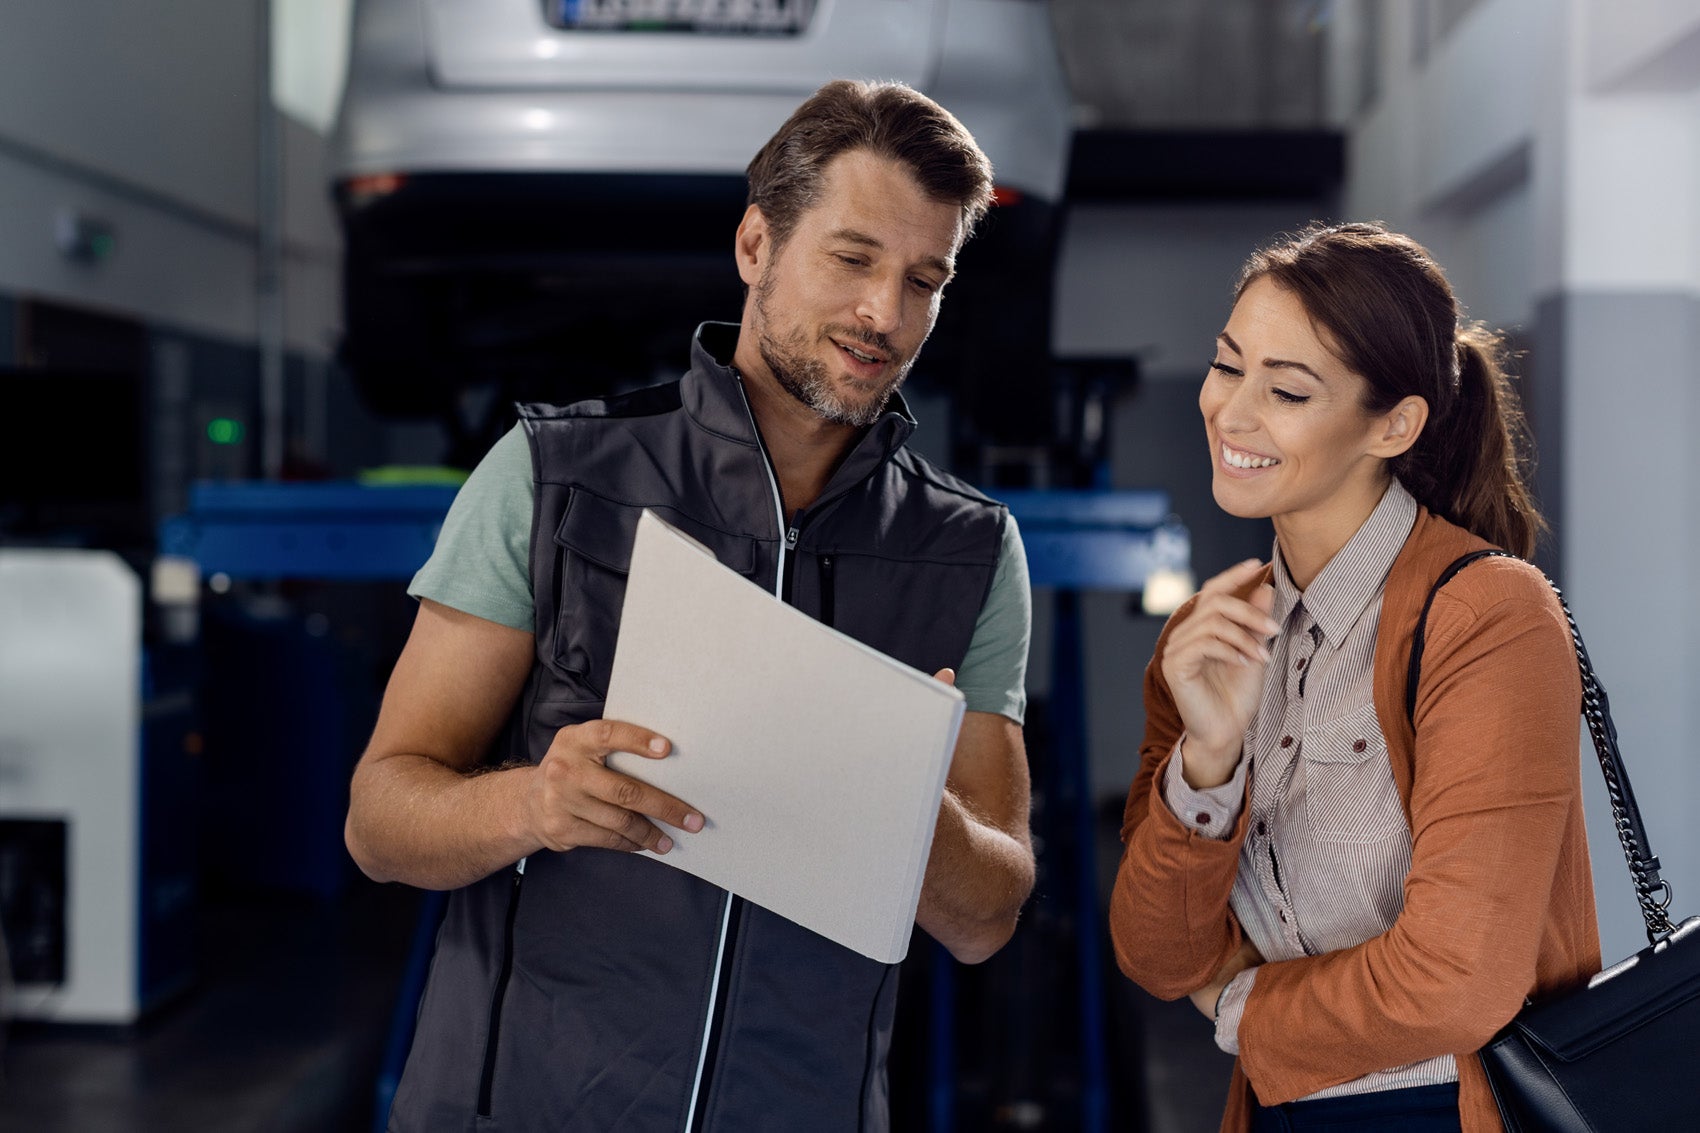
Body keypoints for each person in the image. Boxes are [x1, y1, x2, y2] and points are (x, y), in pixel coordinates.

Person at [344, 79, 1036, 1132]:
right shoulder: (549, 475)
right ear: (756, 244)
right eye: (851, 258)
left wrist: (904, 800)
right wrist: (532, 802)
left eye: (922, 279)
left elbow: (988, 914)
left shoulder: (968, 549)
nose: (882, 315)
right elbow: (380, 819)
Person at [1108, 221, 1600, 1133]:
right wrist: (1209, 761)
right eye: (1226, 366)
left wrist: (1239, 1005)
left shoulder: (1489, 616)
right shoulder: (1207, 635)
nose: (1232, 412)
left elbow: (1457, 981)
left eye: (1287, 390)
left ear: (1395, 423)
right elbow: (1157, 955)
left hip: (1445, 1113)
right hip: (1275, 1109)